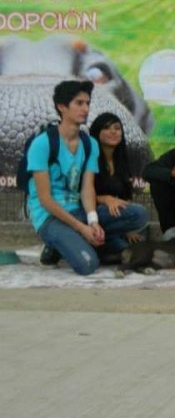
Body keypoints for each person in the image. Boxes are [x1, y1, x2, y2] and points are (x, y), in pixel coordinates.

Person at [27, 80, 106, 275]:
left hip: (77, 210)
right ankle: (58, 243)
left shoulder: (90, 144)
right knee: (88, 265)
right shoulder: (42, 144)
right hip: (49, 217)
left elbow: (87, 188)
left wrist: (93, 221)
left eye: (87, 103)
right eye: (79, 103)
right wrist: (82, 229)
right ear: (62, 107)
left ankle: (68, 243)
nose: (85, 109)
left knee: (136, 215)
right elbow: (45, 199)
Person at [88, 112, 149, 262]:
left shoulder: (122, 159)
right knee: (141, 213)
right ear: (97, 132)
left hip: (112, 215)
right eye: (107, 128)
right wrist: (105, 199)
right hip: (91, 213)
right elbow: (80, 193)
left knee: (130, 240)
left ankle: (102, 243)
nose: (113, 132)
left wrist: (127, 228)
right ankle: (91, 239)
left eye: (117, 128)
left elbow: (126, 196)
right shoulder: (89, 156)